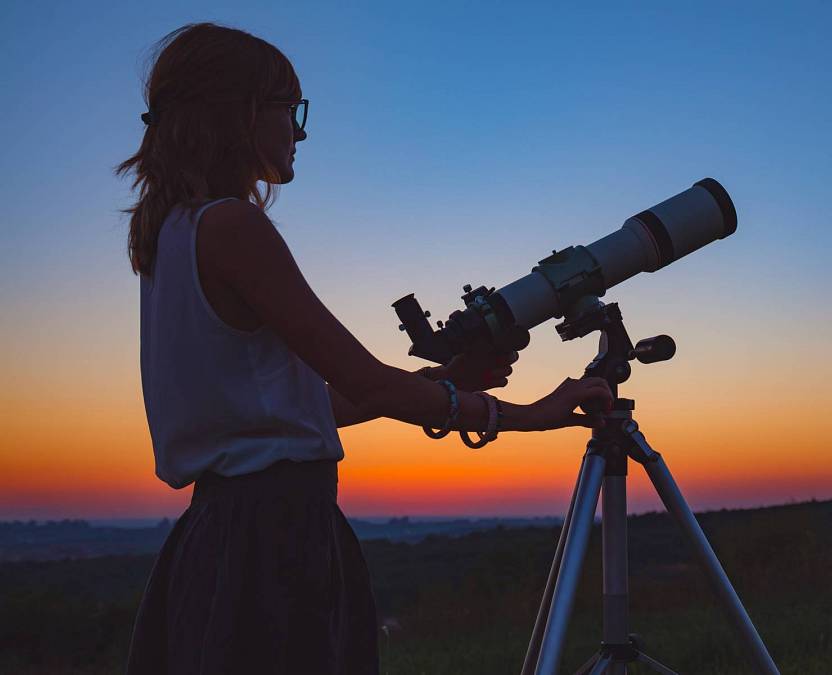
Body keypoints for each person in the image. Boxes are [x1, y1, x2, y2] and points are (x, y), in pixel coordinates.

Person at [117, 22, 613, 675]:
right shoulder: (233, 227)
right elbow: (370, 384)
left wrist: (444, 376)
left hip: (220, 532)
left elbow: (301, 406)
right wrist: (528, 414)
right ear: (240, 113)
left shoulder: (169, 237)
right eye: (290, 110)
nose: (300, 131)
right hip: (277, 536)